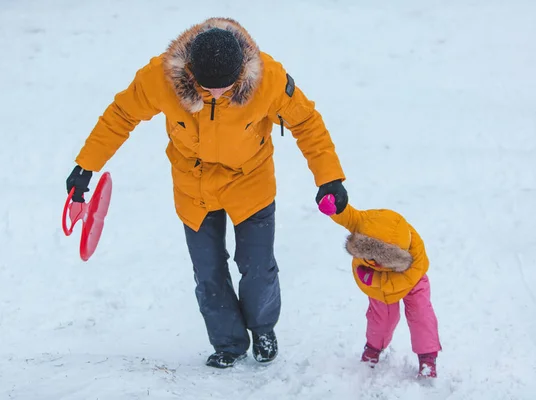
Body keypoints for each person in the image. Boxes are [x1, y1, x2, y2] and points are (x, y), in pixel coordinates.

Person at [66, 18, 349, 368]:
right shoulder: (160, 78)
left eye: (224, 88)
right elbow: (121, 115)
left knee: (257, 266)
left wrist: (329, 177)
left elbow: (306, 123)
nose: (216, 95)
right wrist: (86, 166)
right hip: (193, 185)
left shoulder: (269, 79)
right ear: (191, 72)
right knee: (208, 272)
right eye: (208, 88)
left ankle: (262, 328)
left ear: (240, 72)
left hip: (250, 181)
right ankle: (228, 343)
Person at [323, 202, 442, 377]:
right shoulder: (364, 227)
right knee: (381, 317)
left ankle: (427, 356)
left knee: (420, 314)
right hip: (378, 287)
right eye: (370, 257)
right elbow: (346, 215)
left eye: (381, 260)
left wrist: (374, 279)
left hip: (411, 282)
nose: (374, 263)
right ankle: (373, 346)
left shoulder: (414, 258)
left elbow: (402, 281)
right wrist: (332, 204)